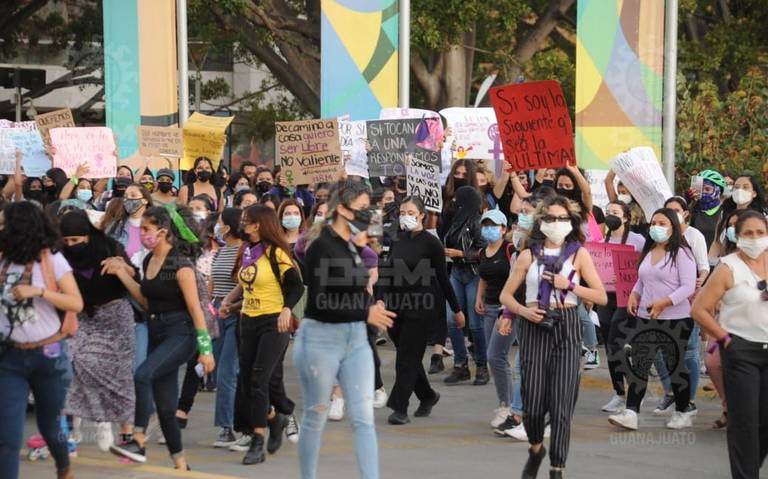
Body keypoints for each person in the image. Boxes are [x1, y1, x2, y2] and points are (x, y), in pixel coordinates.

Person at [499, 195, 607, 479]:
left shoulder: (579, 254)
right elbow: (506, 295)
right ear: (540, 222)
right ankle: (536, 449)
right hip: (534, 324)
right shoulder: (528, 255)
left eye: (562, 218)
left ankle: (557, 468)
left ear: (571, 222)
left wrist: (569, 285)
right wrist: (521, 311)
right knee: (533, 404)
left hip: (566, 325)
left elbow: (601, 296)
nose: (556, 223)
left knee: (561, 405)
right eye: (550, 218)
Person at [294, 180, 396, 479]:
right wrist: (366, 312)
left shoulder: (353, 245)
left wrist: (369, 306)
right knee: (316, 414)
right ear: (342, 208)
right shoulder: (320, 246)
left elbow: (358, 288)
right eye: (362, 208)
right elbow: (320, 302)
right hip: (320, 338)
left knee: (364, 419)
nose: (367, 214)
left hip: (356, 339)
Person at [106, 206, 215, 469]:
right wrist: (121, 274)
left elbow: (195, 310)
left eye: (147, 229)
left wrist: (205, 349)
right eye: (141, 228)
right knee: (166, 409)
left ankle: (138, 439)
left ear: (163, 232)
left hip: (181, 334)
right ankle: (181, 464)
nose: (142, 233)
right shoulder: (148, 261)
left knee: (142, 375)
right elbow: (146, 301)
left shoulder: (180, 265)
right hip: (157, 331)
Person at [0, 201, 84, 479]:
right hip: (9, 358)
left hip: (49, 356)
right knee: (7, 437)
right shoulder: (3, 259)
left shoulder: (51, 259)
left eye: (3, 224)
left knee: (50, 427)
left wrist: (38, 291)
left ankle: (64, 468)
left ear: (19, 228)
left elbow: (76, 302)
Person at [221, 205, 303, 465]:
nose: (242, 223)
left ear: (257, 224)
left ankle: (257, 440)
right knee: (247, 381)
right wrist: (230, 303)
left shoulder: (276, 253)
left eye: (246, 220)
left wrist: (286, 310)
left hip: (273, 322)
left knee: (259, 379)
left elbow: (296, 287)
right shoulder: (248, 250)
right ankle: (274, 418)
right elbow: (247, 286)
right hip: (248, 321)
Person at [691, 209, 768, 479]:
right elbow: (699, 309)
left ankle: (750, 463)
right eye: (748, 233)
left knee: (764, 421)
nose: (755, 238)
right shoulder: (728, 268)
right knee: (745, 420)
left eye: (760, 233)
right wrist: (724, 339)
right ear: (738, 236)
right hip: (741, 351)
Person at [608, 208, 697, 432]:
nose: (656, 227)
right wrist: (634, 294)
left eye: (662, 223)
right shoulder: (649, 251)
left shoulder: (682, 253)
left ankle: (683, 410)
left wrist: (664, 303)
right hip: (645, 316)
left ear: (673, 227)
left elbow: (688, 286)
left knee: (674, 365)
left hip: (676, 319)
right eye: (654, 223)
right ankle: (631, 412)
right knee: (640, 363)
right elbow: (642, 279)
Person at [379, 196, 463, 425]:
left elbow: (443, 279)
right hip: (396, 307)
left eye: (410, 212)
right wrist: (380, 301)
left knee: (405, 360)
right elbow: (387, 272)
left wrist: (456, 310)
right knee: (410, 357)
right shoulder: (397, 239)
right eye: (402, 212)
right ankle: (427, 396)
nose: (405, 216)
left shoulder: (431, 243)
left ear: (422, 215)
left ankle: (400, 408)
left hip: (421, 307)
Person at [59, 211, 136, 452]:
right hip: (83, 316)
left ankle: (125, 432)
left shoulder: (109, 246)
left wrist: (122, 267)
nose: (71, 245)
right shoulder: (60, 256)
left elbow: (134, 273)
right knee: (76, 365)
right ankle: (75, 429)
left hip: (115, 316)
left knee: (118, 373)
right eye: (67, 240)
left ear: (88, 235)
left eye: (76, 240)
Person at [596, 201, 646, 414]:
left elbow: (644, 267)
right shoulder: (599, 242)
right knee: (610, 348)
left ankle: (634, 389)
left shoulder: (637, 240)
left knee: (617, 344)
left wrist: (627, 276)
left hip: (627, 297)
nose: (610, 215)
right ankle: (619, 393)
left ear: (626, 217)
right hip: (606, 297)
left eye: (615, 212)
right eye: (608, 212)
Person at [474, 209, 520, 430]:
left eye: (493, 225)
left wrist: (507, 311)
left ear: (503, 229)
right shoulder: (483, 252)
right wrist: (479, 298)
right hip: (489, 307)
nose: (488, 229)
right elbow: (483, 277)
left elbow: (516, 278)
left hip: (507, 310)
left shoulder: (510, 250)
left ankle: (508, 406)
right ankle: (506, 404)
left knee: (496, 356)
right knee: (495, 357)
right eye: (485, 225)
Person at [438, 185, 487, 384]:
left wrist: (461, 254)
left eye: (458, 199)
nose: (454, 202)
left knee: (475, 323)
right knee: (452, 320)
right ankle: (461, 364)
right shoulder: (455, 220)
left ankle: (482, 365)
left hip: (473, 275)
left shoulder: (478, 223)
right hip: (457, 272)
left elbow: (485, 252)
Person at [207, 208, 245, 449]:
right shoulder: (221, 251)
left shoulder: (245, 252)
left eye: (220, 222)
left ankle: (227, 426)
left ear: (229, 227)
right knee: (219, 369)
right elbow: (212, 283)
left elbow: (246, 284)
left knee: (227, 371)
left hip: (237, 313)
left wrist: (230, 305)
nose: (217, 226)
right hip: (217, 313)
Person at [104, 184, 153, 260]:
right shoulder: (115, 226)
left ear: (145, 200)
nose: (128, 199)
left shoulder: (156, 225)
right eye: (125, 196)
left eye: (133, 195)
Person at [690, 169, 726, 250]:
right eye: (700, 189)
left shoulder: (725, 212)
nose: (703, 192)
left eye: (707, 189)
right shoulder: (692, 210)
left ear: (718, 191)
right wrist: (688, 202)